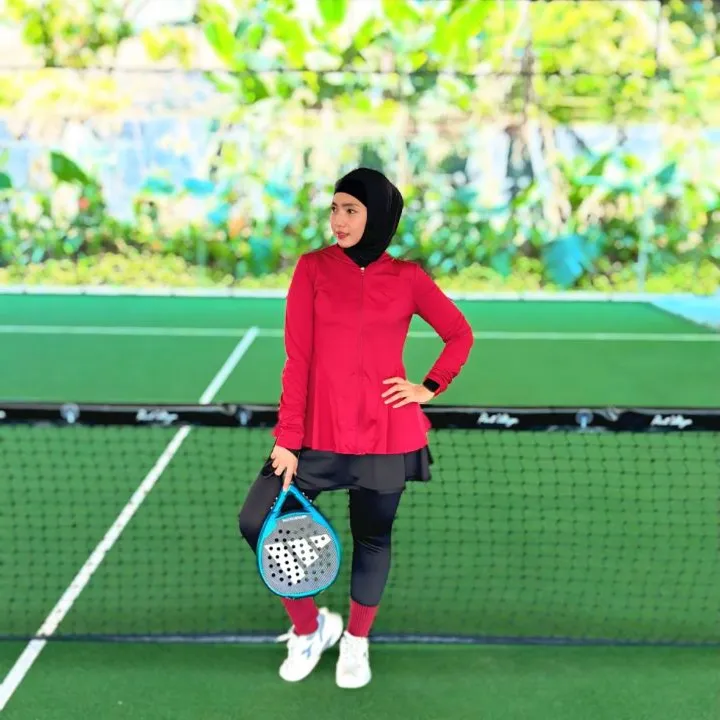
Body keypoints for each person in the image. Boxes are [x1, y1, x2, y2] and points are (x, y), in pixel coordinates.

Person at [238, 167, 474, 689]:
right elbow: (297, 358)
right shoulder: (312, 269)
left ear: (379, 216)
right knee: (258, 521)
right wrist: (287, 439)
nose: (338, 220)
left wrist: (429, 386)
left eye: (351, 210)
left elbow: (459, 334)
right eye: (334, 209)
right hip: (314, 435)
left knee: (373, 538)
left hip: (386, 435)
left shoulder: (408, 278)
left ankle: (356, 641)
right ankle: (311, 628)